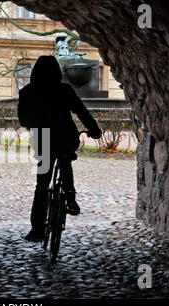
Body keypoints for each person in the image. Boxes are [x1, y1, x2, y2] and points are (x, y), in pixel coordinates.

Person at [17, 55, 102, 242]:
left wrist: (36, 126)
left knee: (41, 185)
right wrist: (95, 130)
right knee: (65, 161)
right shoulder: (64, 90)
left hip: (43, 139)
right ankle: (70, 196)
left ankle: (37, 229)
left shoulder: (27, 92)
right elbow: (81, 111)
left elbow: (24, 120)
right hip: (65, 136)